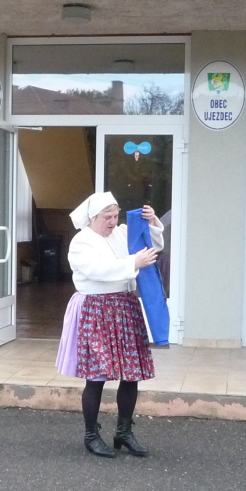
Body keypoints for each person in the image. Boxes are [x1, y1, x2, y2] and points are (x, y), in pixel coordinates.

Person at [55, 191, 163, 458]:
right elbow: (96, 270)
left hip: (125, 307)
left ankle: (124, 432)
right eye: (107, 217)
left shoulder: (122, 233)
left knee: (131, 374)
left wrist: (152, 223)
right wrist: (132, 263)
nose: (113, 221)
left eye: (115, 216)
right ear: (93, 217)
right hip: (97, 309)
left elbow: (151, 246)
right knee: (96, 377)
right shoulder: (81, 241)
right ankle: (91, 435)